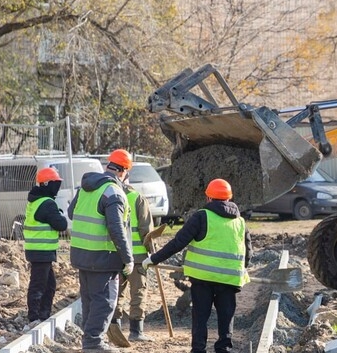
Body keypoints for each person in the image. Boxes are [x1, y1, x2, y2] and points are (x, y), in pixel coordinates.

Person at [143, 178, 252, 353]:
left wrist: (154, 259)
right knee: (226, 317)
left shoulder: (201, 216)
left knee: (200, 317)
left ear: (208, 197)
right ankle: (224, 348)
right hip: (229, 279)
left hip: (203, 279)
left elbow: (178, 242)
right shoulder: (240, 222)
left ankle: (198, 349)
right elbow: (248, 251)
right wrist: (240, 268)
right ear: (229, 198)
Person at [68, 149, 135, 352]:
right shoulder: (113, 192)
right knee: (105, 302)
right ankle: (93, 342)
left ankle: (90, 340)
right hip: (103, 257)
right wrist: (128, 258)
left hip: (82, 254)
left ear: (109, 166)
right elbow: (116, 228)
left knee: (90, 300)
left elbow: (71, 212)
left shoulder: (85, 188)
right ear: (123, 171)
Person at [111, 173, 154, 342]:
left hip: (116, 255)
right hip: (137, 256)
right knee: (138, 292)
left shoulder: (110, 195)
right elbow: (146, 230)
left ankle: (114, 328)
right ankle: (136, 331)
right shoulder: (137, 198)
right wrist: (152, 253)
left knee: (117, 292)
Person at [24, 167, 69, 325]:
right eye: (56, 183)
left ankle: (43, 315)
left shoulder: (35, 200)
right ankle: (34, 318)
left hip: (38, 251)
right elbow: (61, 224)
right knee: (39, 285)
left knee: (49, 285)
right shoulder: (47, 203)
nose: (57, 187)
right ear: (48, 184)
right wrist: (60, 214)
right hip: (41, 251)